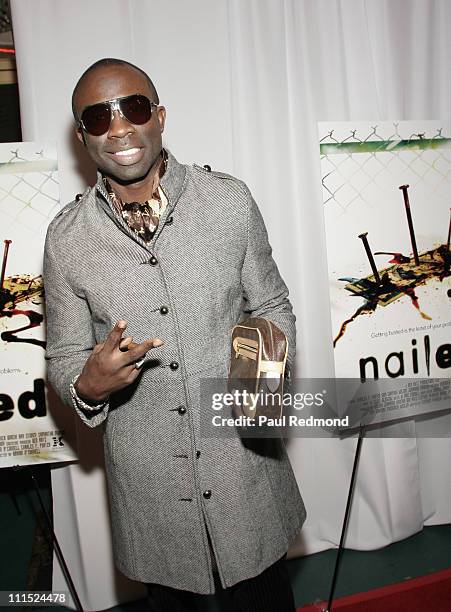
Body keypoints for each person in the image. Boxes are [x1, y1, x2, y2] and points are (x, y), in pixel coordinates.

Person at [43, 58, 306, 612]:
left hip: (243, 471)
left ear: (160, 116)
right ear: (82, 137)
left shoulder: (229, 201)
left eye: (134, 108)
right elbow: (65, 355)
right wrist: (87, 385)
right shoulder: (66, 239)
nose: (118, 128)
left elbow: (272, 305)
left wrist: (256, 389)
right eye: (98, 118)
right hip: (151, 492)